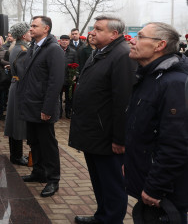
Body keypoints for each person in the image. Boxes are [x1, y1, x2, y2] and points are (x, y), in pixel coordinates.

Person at [69, 15, 136, 224]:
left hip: (108, 136)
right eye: (93, 28)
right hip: (94, 133)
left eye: (98, 29)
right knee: (99, 181)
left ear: (113, 34)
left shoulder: (122, 55)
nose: (92, 32)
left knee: (113, 184)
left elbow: (123, 100)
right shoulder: (102, 51)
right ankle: (102, 216)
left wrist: (120, 139)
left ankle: (111, 219)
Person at [125, 22, 188, 224]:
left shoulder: (174, 83)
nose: (133, 41)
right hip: (148, 179)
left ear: (159, 45)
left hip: (163, 192)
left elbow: (175, 144)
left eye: (140, 37)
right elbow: (141, 129)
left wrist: (156, 187)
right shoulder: (149, 77)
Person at [19, 16, 65, 198]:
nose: (30, 29)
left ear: (46, 29)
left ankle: (53, 179)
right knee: (34, 141)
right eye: (30, 26)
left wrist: (47, 109)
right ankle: (38, 172)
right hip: (30, 105)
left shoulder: (53, 49)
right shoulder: (34, 47)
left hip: (42, 108)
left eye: (34, 26)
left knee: (48, 144)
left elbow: (55, 82)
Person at [4, 22, 31, 166]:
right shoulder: (22, 49)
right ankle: (16, 156)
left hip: (16, 86)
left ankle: (16, 155)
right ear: (23, 35)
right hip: (20, 88)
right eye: (28, 31)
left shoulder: (17, 47)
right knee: (18, 124)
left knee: (15, 123)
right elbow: (23, 72)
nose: (30, 33)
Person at [59, 34, 78, 119]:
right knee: (57, 97)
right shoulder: (56, 50)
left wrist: (75, 75)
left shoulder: (73, 52)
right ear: (60, 41)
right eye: (62, 40)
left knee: (69, 96)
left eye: (66, 40)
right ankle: (59, 112)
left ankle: (68, 112)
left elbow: (77, 65)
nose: (64, 41)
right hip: (58, 78)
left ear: (69, 42)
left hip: (69, 78)